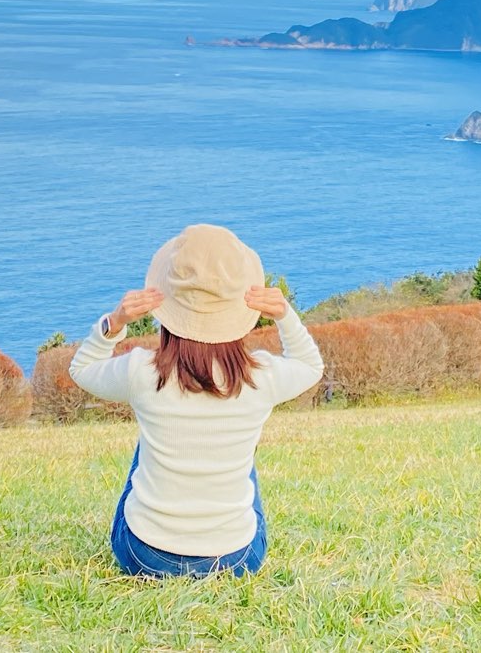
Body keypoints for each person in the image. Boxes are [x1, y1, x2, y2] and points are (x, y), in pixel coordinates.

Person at [69, 222, 324, 578]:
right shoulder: (261, 376)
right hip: (237, 561)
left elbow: (81, 369)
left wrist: (115, 322)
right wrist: (285, 316)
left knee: (149, 445)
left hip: (143, 556)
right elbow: (312, 366)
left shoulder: (140, 371)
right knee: (241, 454)